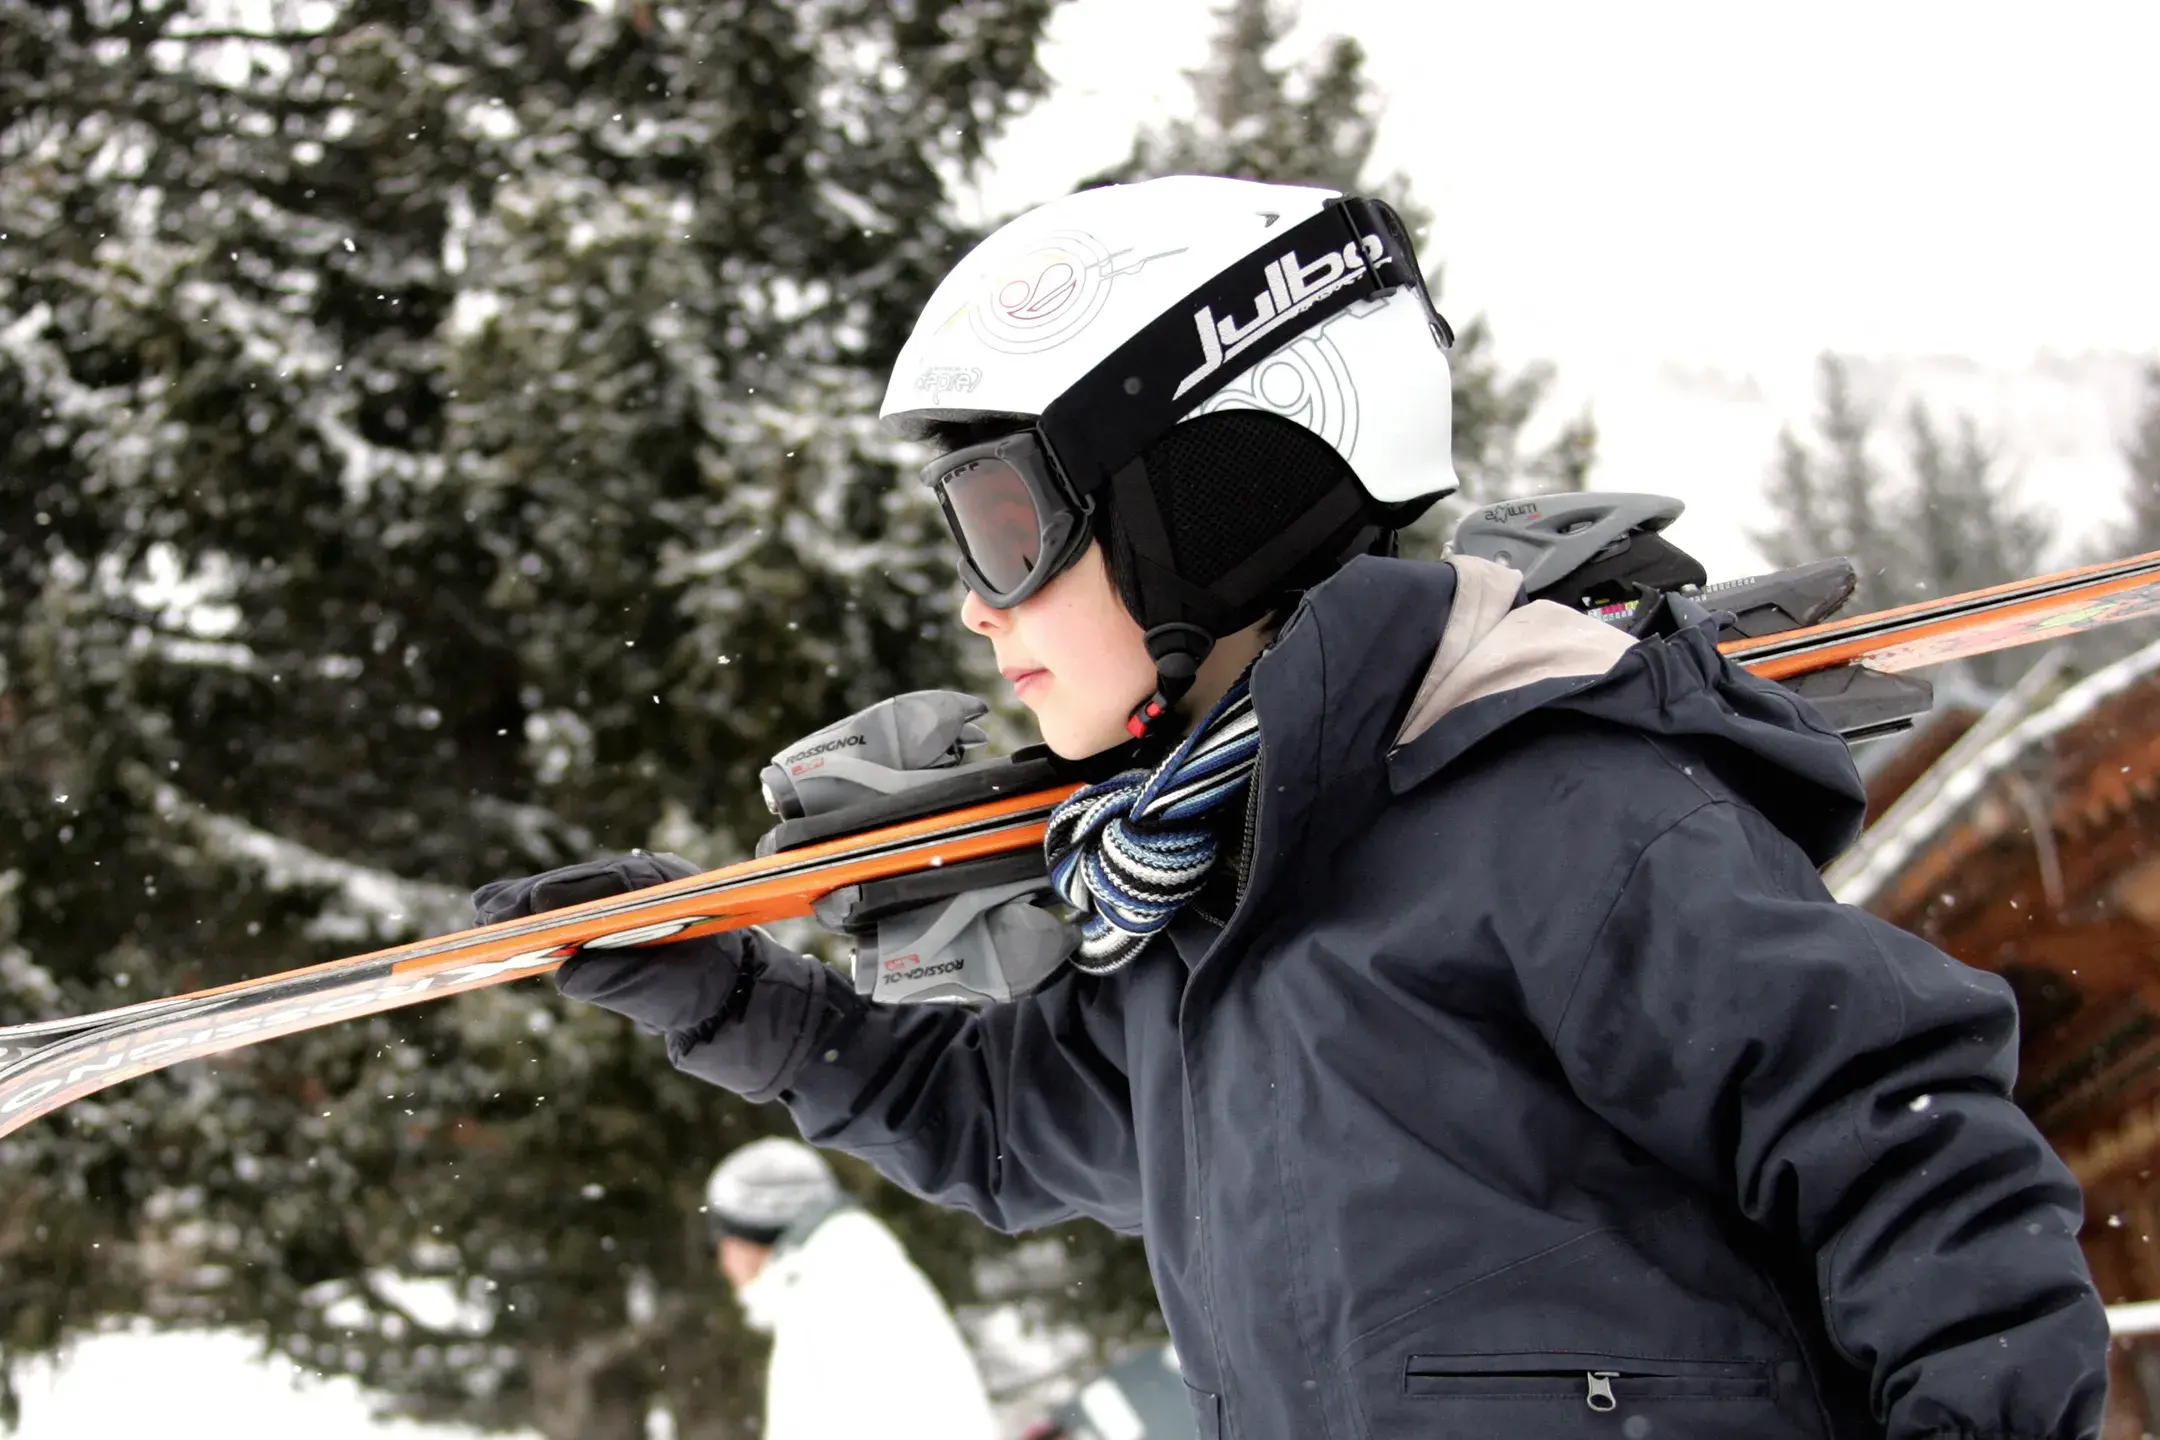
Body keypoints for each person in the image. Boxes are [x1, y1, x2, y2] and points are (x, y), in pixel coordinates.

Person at [474, 176, 2110, 1438]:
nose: (981, 609)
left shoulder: (1548, 803)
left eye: (1004, 526)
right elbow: (991, 1123)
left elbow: (1901, 1140)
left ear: (1209, 499)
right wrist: (738, 1004)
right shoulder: (1195, 923)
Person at [700, 1136, 997, 1440]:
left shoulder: (840, 1294)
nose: (723, 1264)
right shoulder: (840, 1278)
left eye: (719, 1244)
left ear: (750, 1233)